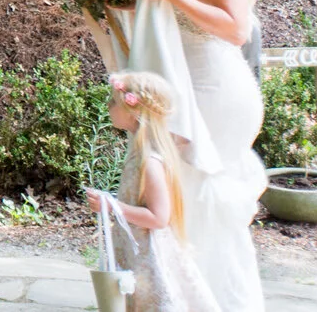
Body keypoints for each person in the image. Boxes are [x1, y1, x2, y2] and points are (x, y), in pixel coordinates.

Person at [128, 0, 265, 312]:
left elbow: (236, 28)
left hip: (216, 91)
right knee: (184, 206)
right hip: (186, 83)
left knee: (204, 205)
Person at [89, 71, 220, 312]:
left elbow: (159, 218)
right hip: (137, 247)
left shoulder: (150, 161)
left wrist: (112, 207)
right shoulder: (140, 154)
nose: (109, 106)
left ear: (134, 110)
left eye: (114, 102)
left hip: (151, 254)